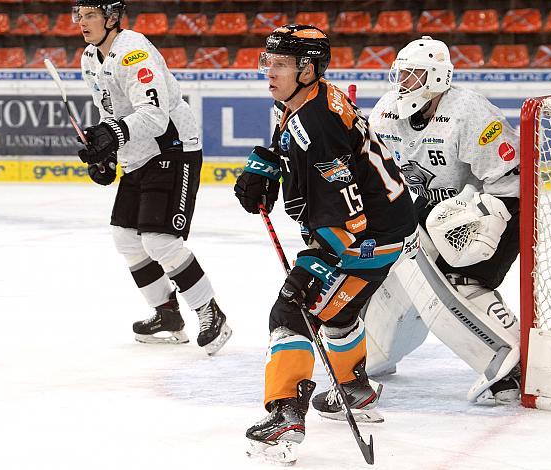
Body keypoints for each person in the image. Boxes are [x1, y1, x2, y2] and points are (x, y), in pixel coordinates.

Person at [234, 25, 418, 465]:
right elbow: (290, 143)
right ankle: (355, 389)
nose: (269, 72)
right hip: (381, 224)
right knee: (340, 311)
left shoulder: (316, 123)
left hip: (366, 236)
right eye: (268, 62)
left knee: (294, 309)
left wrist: (318, 264)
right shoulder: (307, 99)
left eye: (279, 64)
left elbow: (345, 209)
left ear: (308, 68)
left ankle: (285, 415)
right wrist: (265, 167)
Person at [365, 36, 521, 404]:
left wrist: (483, 225)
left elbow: (510, 181)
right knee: (393, 266)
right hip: (430, 210)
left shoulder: (469, 112)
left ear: (437, 77)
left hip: (494, 207)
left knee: (461, 281)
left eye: (413, 75)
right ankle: (375, 352)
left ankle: (511, 363)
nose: (403, 83)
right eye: (400, 74)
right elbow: (374, 174)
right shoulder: (386, 110)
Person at [74, 0, 231, 354]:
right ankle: (167, 314)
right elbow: (111, 111)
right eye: (78, 15)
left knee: (160, 240)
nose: (82, 22)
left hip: (171, 147)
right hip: (138, 153)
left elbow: (155, 117)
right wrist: (107, 154)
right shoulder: (89, 58)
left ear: (112, 18)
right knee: (126, 237)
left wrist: (112, 135)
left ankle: (211, 312)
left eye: (90, 15)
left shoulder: (134, 52)